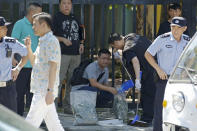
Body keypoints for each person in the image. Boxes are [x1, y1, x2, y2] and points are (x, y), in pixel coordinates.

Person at [144, 17, 190, 131]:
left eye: (178, 28)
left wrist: (186, 70)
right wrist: (158, 69)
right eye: (173, 27)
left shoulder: (188, 41)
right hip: (164, 79)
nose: (175, 30)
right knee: (160, 109)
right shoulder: (162, 39)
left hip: (180, 81)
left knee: (179, 109)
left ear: (184, 28)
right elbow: (148, 54)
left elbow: (192, 57)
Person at [25, 12, 64, 131]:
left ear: (43, 25)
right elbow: (34, 63)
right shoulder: (42, 41)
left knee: (29, 124)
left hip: (44, 90)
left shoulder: (51, 41)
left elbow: (53, 67)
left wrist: (50, 91)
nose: (33, 27)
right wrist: (28, 48)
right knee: (54, 125)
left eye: (35, 24)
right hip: (41, 89)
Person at [108, 33, 156, 124]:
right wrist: (118, 55)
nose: (116, 48)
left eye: (114, 46)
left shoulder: (127, 49)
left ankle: (147, 119)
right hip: (155, 66)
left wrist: (137, 80)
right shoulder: (132, 36)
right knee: (153, 94)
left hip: (148, 71)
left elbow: (135, 62)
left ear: (116, 42)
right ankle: (150, 116)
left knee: (147, 95)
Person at [52, 0, 84, 114]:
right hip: (62, 53)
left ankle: (68, 106)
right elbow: (50, 35)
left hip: (76, 54)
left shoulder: (75, 16)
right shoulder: (56, 18)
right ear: (60, 5)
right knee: (58, 81)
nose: (66, 6)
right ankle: (53, 107)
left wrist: (81, 43)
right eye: (64, 3)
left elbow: (81, 30)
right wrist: (63, 39)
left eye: (69, 3)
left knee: (72, 81)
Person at [70, 49, 117, 125]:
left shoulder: (106, 69)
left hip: (91, 90)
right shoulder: (92, 67)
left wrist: (113, 90)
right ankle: (87, 113)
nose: (106, 61)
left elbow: (105, 85)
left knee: (109, 95)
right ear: (98, 58)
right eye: (103, 58)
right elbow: (93, 83)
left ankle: (98, 113)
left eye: (108, 59)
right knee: (95, 90)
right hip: (80, 90)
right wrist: (109, 89)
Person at [11, 2, 42, 116]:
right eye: (39, 13)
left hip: (35, 66)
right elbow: (13, 41)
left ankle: (33, 120)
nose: (41, 15)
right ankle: (18, 117)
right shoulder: (19, 24)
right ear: (32, 13)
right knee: (19, 94)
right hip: (21, 66)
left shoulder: (38, 25)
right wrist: (12, 58)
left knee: (34, 95)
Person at [0, 16, 28, 112]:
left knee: (10, 121)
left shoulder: (10, 42)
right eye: (3, 27)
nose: (6, 29)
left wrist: (17, 69)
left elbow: (27, 53)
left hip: (8, 89)